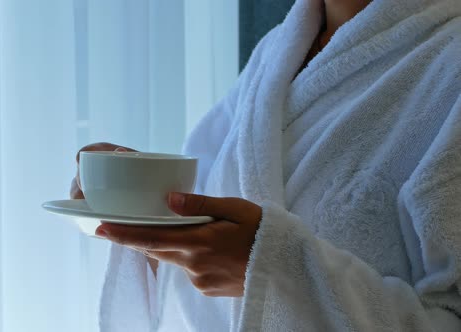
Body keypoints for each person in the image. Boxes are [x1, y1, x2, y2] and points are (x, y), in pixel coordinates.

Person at [71, 0, 461, 330]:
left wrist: (275, 270)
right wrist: (141, 202)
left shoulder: (449, 61)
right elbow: (204, 217)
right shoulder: (275, 53)